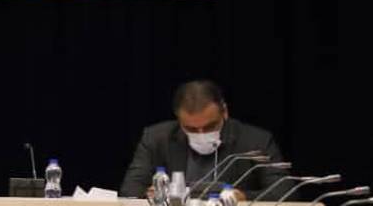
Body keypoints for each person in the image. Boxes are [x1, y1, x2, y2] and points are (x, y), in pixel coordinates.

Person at [120, 80, 288, 198]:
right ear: (178, 119)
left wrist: (243, 196)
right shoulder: (156, 138)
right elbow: (129, 191)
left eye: (209, 127)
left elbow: (284, 193)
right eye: (191, 129)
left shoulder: (256, 141)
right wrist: (150, 195)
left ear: (224, 112)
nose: (201, 133)